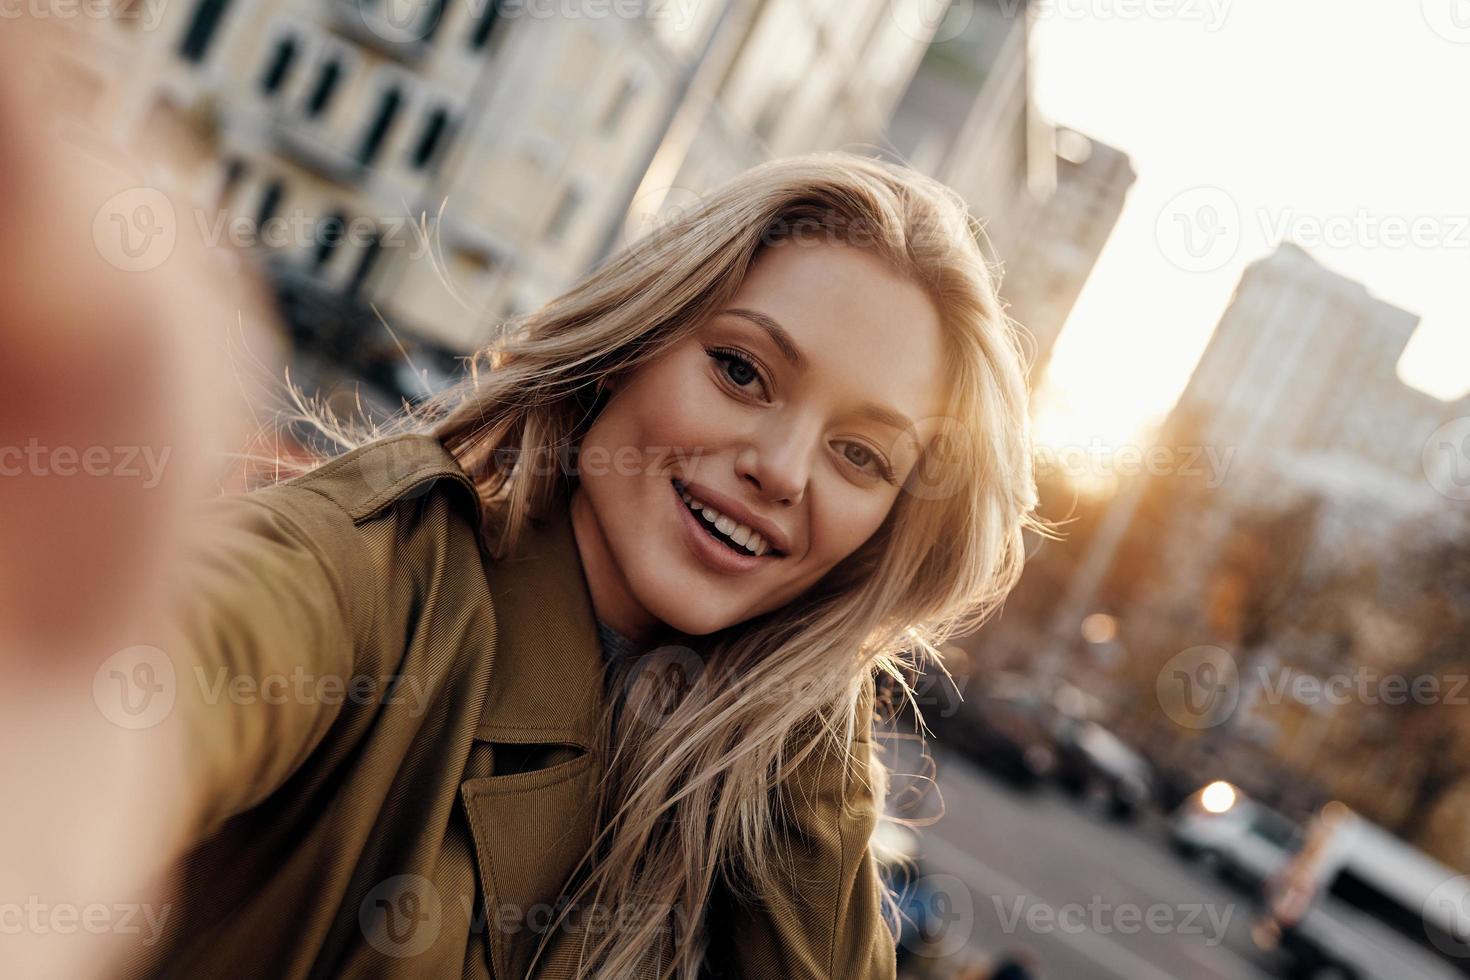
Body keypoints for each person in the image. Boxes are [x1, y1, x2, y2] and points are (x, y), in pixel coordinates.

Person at [0, 18, 1040, 980]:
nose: (781, 466)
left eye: (861, 455)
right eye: (740, 370)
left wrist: (818, 685)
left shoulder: (782, 776)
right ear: (631, 346)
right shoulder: (364, 582)